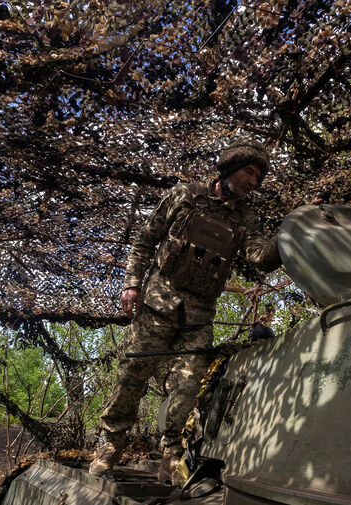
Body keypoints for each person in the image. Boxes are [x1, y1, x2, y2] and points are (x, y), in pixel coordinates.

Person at [89, 138, 283, 481]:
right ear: (228, 169)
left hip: (198, 317)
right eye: (249, 173)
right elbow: (145, 240)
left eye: (258, 178)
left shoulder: (246, 219)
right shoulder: (184, 195)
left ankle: (171, 455)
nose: (253, 182)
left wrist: (290, 234)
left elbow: (260, 259)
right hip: (157, 305)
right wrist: (131, 283)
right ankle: (110, 443)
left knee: (188, 386)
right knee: (131, 376)